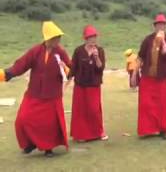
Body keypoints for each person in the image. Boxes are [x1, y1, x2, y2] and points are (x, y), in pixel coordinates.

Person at [0, 21, 71, 157]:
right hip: (34, 93)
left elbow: (71, 68)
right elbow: (21, 65)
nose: (58, 40)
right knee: (23, 119)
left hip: (52, 94)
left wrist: (65, 68)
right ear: (48, 39)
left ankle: (48, 148)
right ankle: (30, 143)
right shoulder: (36, 51)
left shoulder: (60, 52)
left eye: (59, 37)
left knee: (49, 124)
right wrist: (6, 73)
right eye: (56, 37)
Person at [131, 14, 166, 139]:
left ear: (165, 26)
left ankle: (162, 130)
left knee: (162, 105)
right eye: (158, 25)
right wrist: (134, 72)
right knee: (146, 104)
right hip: (148, 77)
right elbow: (140, 56)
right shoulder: (147, 40)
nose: (161, 27)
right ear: (154, 26)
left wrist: (163, 43)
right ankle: (147, 130)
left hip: (162, 78)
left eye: (163, 25)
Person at [69, 25, 108, 142]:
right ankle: (81, 135)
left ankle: (98, 133)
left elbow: (101, 68)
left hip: (93, 85)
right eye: (90, 37)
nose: (92, 40)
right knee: (80, 110)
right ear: (85, 38)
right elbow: (74, 66)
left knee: (94, 109)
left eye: (94, 37)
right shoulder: (78, 51)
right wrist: (68, 76)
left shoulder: (100, 50)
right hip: (80, 84)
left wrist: (96, 58)